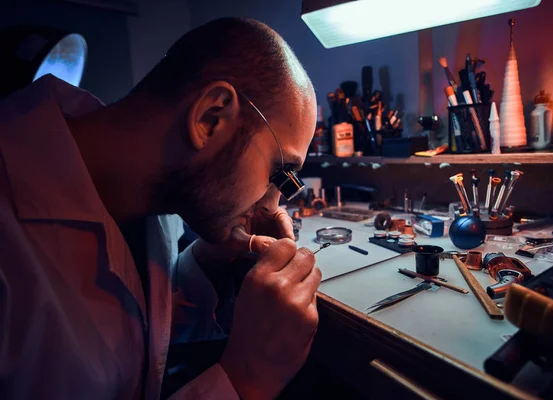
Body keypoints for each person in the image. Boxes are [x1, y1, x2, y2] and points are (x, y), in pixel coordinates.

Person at [0, 18, 320, 399]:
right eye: (280, 174)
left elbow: (125, 331)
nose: (273, 205)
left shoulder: (159, 191)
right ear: (210, 118)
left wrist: (206, 262)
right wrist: (246, 380)